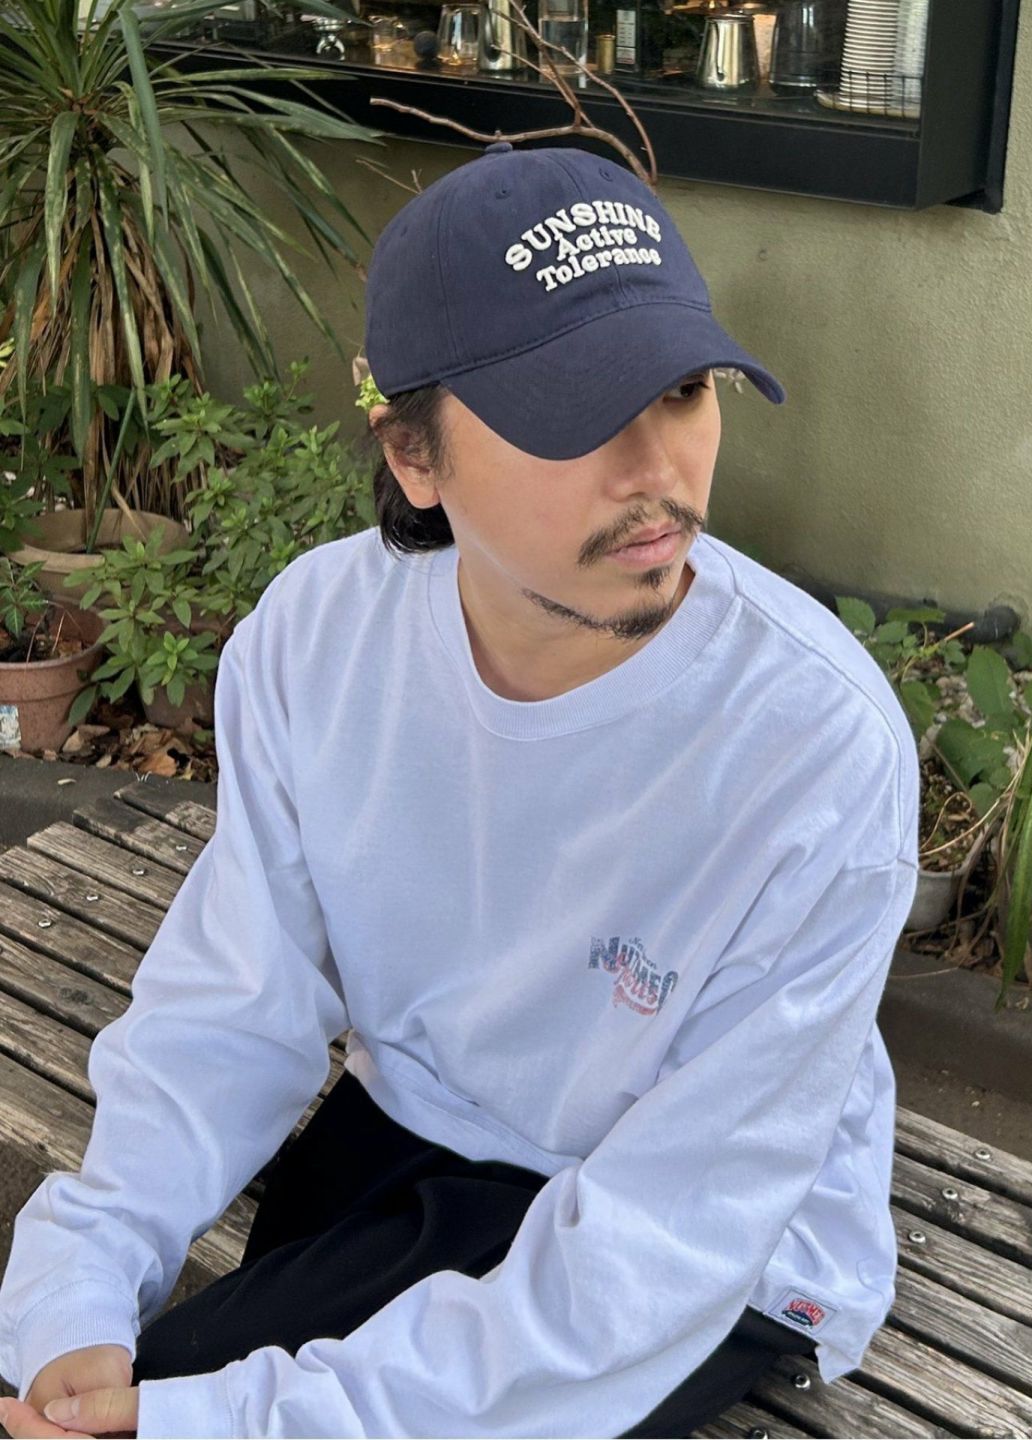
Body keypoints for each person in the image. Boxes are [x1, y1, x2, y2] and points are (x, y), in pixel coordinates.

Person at [0, 141, 919, 1439]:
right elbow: (238, 997)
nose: (655, 470)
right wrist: (84, 1272)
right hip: (414, 1123)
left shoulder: (811, 749)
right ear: (414, 455)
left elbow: (660, 1247)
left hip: (719, 1241)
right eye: (572, 413)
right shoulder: (321, 639)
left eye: (682, 389)